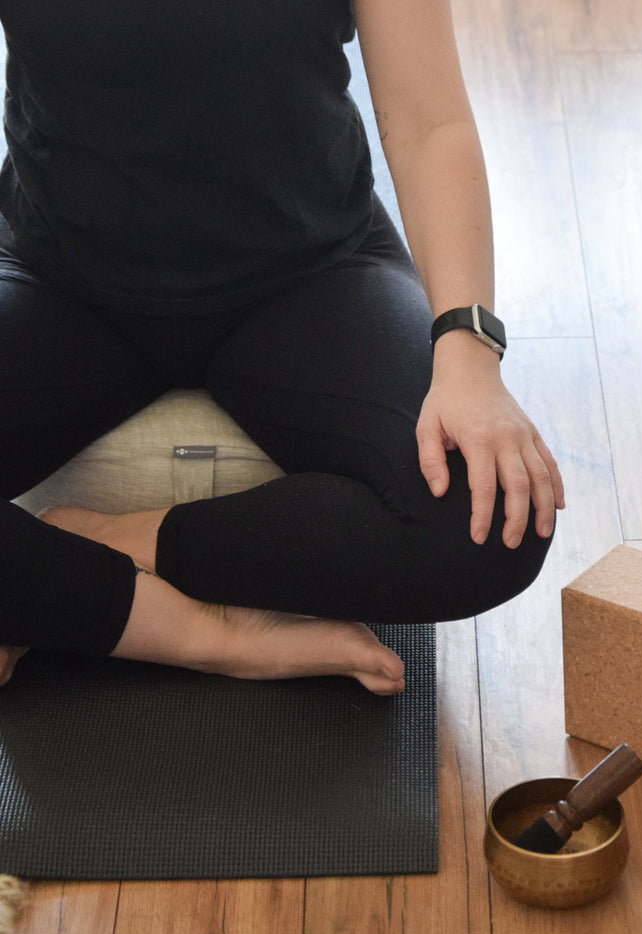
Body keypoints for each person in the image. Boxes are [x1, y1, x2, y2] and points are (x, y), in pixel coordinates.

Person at [0, 0, 565, 694]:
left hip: (309, 272)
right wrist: (194, 633)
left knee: (493, 519)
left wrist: (468, 351)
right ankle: (197, 634)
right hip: (60, 279)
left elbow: (430, 123)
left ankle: (107, 548)